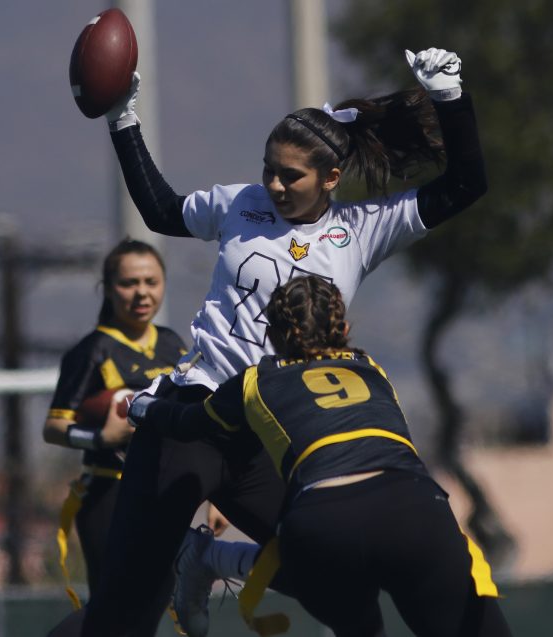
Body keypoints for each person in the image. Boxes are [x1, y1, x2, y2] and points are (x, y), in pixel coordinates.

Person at [57, 46, 488, 637]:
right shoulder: (242, 205)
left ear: (332, 178)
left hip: (268, 431)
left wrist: (450, 96)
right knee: (123, 614)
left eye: (291, 175)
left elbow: (467, 183)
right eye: (268, 168)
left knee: (329, 571)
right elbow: (161, 210)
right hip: (194, 415)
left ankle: (209, 558)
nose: (274, 184)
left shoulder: (360, 231)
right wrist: (122, 119)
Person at [128, 276, 513, 637]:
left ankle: (216, 558)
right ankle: (214, 559)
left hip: (325, 522)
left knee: (312, 571)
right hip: (414, 509)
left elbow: (188, 423)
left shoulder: (255, 379)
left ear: (271, 337)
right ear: (344, 331)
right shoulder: (372, 368)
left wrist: (142, 406)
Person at [42, 238, 187, 617]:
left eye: (151, 282)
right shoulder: (94, 350)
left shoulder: (173, 344)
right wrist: (100, 437)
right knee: (115, 609)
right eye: (129, 283)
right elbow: (54, 426)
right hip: (111, 491)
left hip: (165, 491)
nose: (142, 292)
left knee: (157, 603)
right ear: (107, 289)